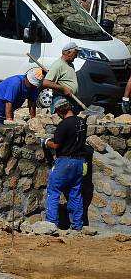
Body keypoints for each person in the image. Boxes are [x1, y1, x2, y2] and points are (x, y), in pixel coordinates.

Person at [43, 98, 88, 231]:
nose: (57, 115)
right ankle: (77, 225)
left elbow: (56, 145)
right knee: (76, 193)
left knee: (53, 191)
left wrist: (46, 142)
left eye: (57, 112)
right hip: (80, 163)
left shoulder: (64, 125)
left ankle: (51, 225)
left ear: (60, 111)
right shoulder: (82, 122)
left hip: (65, 162)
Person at [43, 42, 80, 114]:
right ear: (69, 52)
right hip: (61, 99)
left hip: (71, 99)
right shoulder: (58, 65)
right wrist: (63, 88)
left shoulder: (70, 64)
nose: (76, 56)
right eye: (75, 53)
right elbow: (46, 82)